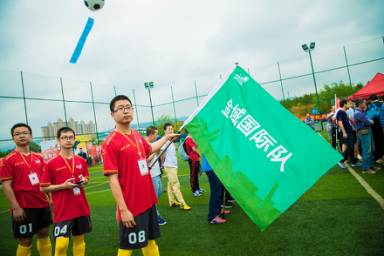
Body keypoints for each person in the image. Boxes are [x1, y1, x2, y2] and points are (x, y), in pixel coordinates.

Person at [102, 95, 179, 256]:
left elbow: (150, 149)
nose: (126, 111)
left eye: (129, 107)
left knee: (151, 243)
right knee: (127, 248)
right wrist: (123, 210)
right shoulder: (110, 142)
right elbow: (113, 181)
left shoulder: (136, 134)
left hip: (148, 200)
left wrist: (165, 138)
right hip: (131, 204)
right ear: (112, 115)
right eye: (121, 108)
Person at [0, 123, 53, 256]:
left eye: (25, 133)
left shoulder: (38, 158)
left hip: (42, 203)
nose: (21, 136)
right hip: (24, 207)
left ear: (31, 136)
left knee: (44, 235)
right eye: (17, 134)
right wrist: (16, 208)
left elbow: (45, 181)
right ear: (13, 139)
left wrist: (50, 199)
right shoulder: (8, 160)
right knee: (25, 240)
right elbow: (6, 186)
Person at [40, 127, 92, 256]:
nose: (68, 140)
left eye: (71, 137)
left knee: (80, 241)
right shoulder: (50, 164)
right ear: (58, 140)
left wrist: (83, 181)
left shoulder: (81, 161)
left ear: (74, 140)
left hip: (81, 207)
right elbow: (43, 188)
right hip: (63, 209)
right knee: (61, 245)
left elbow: (86, 178)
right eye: (64, 137)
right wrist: (63, 186)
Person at [160, 123, 191, 211]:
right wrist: (162, 163)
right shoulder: (164, 141)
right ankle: (182, 203)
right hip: (169, 166)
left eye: (172, 129)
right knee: (176, 185)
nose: (171, 131)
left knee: (170, 184)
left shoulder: (171, 141)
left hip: (173, 166)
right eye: (169, 129)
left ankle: (172, 202)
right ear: (165, 131)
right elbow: (162, 153)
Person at [145, 126, 166, 225]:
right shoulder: (145, 144)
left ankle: (151, 212)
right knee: (153, 197)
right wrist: (155, 153)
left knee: (159, 192)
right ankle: (155, 216)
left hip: (156, 173)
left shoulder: (152, 144)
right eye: (156, 134)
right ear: (151, 134)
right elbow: (145, 160)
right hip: (151, 174)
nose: (157, 136)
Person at [353, 98, 381, 174]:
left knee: (371, 150)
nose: (365, 104)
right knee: (367, 151)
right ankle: (365, 168)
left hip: (367, 131)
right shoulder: (358, 113)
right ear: (360, 104)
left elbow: (368, 121)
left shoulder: (361, 112)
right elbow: (367, 122)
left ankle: (371, 166)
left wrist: (368, 122)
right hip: (364, 132)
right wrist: (369, 122)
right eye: (364, 103)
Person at [202, 155, 230, 224]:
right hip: (212, 167)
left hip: (215, 167)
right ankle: (212, 217)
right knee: (216, 192)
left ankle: (218, 211)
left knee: (219, 191)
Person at [336, 99, 361, 168]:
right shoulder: (340, 112)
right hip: (346, 132)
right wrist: (344, 132)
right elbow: (340, 123)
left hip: (349, 131)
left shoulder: (344, 112)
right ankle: (341, 161)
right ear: (344, 104)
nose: (348, 104)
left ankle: (354, 162)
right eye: (347, 103)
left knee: (352, 147)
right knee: (350, 147)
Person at [185, 129, 206, 196]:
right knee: (193, 174)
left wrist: (198, 156)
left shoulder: (191, 138)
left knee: (196, 174)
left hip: (195, 158)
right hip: (192, 158)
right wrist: (198, 154)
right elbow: (193, 149)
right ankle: (194, 190)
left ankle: (197, 188)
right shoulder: (189, 138)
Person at [366, 94, 384, 164]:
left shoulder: (369, 107)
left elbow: (367, 117)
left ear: (370, 100)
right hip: (382, 125)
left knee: (376, 141)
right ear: (378, 98)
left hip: (374, 125)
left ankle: (379, 156)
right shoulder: (381, 105)